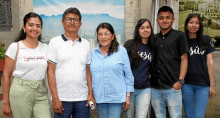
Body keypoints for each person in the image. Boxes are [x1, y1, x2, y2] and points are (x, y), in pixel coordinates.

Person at [47, 7, 95, 118]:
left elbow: (88, 71)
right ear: (62, 22)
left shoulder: (86, 44)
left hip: (82, 98)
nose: (72, 22)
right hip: (62, 98)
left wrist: (90, 94)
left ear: (80, 23)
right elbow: (50, 71)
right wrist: (55, 98)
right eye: (68, 19)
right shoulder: (54, 42)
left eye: (75, 19)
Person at [2, 12, 51, 118]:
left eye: (38, 26)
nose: (35, 28)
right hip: (20, 91)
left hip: (41, 91)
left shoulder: (46, 48)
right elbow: (6, 76)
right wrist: (6, 102)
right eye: (31, 25)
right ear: (24, 27)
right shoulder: (15, 47)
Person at [150, 6, 189, 118]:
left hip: (173, 87)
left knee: (175, 116)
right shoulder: (153, 38)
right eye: (161, 18)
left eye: (168, 17)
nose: (164, 20)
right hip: (156, 88)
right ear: (157, 20)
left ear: (173, 19)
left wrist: (180, 81)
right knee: (159, 115)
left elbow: (184, 59)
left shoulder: (180, 36)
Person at [90, 23, 134, 118]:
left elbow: (128, 75)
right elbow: (90, 75)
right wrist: (91, 95)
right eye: (100, 34)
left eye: (107, 33)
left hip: (116, 97)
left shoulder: (121, 51)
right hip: (100, 96)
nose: (103, 37)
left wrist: (127, 95)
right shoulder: (93, 53)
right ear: (97, 37)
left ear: (113, 36)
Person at [182, 13, 215, 118]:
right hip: (186, 84)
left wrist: (212, 85)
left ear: (200, 25)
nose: (193, 25)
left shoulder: (206, 39)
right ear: (186, 24)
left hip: (203, 85)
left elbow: (210, 63)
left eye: (196, 23)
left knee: (199, 116)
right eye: (191, 22)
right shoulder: (182, 41)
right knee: (189, 115)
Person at [123, 18, 153, 118]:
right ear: (138, 30)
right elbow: (121, 65)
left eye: (148, 27)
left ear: (151, 29)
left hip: (145, 89)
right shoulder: (130, 44)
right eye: (142, 28)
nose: (145, 30)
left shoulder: (153, 47)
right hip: (129, 90)